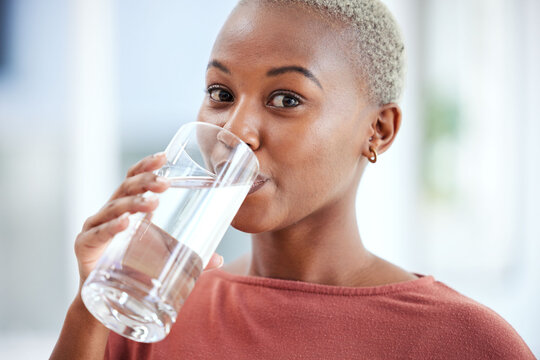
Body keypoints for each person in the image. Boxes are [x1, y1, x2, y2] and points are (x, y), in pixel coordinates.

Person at [51, 0, 535, 359]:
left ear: (378, 130)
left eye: (285, 99)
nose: (234, 131)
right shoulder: (149, 315)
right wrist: (89, 308)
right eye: (220, 92)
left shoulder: (467, 342)